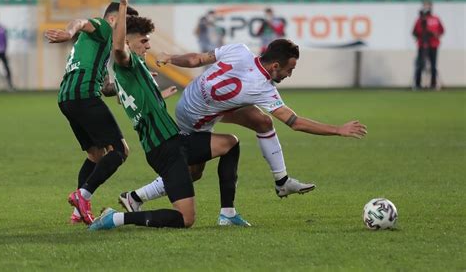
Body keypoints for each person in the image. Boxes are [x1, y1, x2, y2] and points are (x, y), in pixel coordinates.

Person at [123, 39, 367, 210]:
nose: (289, 75)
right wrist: (337, 129)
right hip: (197, 119)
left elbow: (197, 59)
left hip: (192, 101)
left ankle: (282, 181)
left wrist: (170, 57)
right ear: (275, 66)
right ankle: (136, 197)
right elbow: (294, 122)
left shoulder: (239, 50)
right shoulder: (263, 88)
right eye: (289, 70)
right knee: (193, 173)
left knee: (262, 121)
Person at [89, 0, 249, 231]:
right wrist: (122, 4)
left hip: (175, 142)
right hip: (164, 149)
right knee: (185, 219)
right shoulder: (125, 62)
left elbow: (127, 97)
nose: (149, 45)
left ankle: (227, 213)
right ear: (130, 44)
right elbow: (119, 47)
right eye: (144, 40)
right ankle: (114, 218)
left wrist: (156, 96)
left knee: (230, 143)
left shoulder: (136, 70)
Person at [44, 0, 139, 225]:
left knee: (96, 155)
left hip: (67, 99)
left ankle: (78, 211)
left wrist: (120, 88)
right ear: (114, 18)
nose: (126, 30)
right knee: (120, 151)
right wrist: (68, 32)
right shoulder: (103, 27)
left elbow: (106, 87)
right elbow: (80, 21)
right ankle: (82, 196)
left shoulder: (100, 46)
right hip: (84, 95)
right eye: (126, 22)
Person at [412, 0, 445, 90]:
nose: (426, 7)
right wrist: (421, 35)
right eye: (425, 5)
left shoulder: (436, 19)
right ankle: (418, 84)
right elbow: (414, 31)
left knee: (433, 65)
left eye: (428, 5)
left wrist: (435, 34)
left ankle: (433, 84)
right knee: (420, 65)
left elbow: (442, 30)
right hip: (422, 44)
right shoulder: (419, 20)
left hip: (433, 44)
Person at [0, 13, 13, 91]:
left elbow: (5, 40)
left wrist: (5, 49)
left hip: (1, 51)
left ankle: (10, 84)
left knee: (6, 67)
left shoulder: (2, 28)